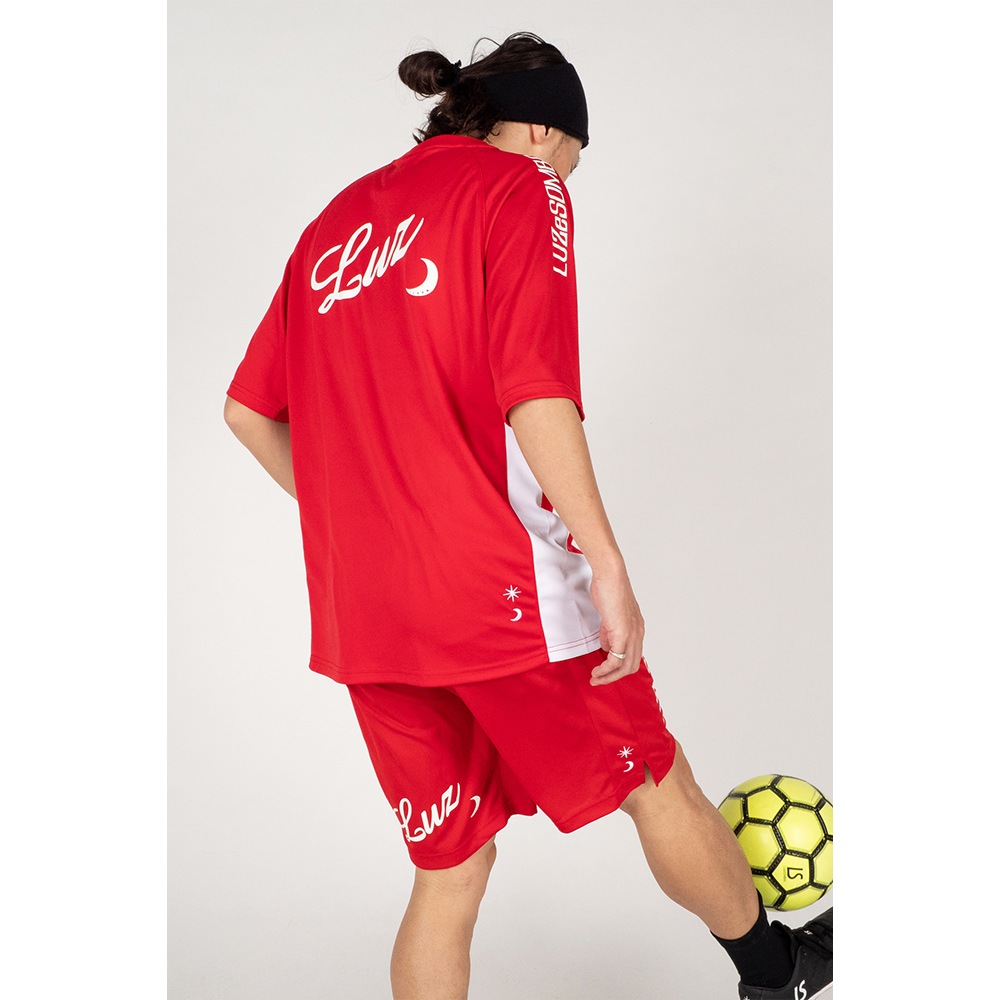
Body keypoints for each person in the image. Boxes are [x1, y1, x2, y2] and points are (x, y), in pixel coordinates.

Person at [223, 30, 833, 1000]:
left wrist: (368, 515)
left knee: (449, 867)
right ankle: (777, 974)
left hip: (365, 612)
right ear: (545, 131)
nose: (568, 180)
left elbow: (247, 411)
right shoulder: (521, 185)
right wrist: (607, 561)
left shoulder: (332, 223)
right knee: (655, 780)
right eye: (574, 160)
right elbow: (534, 388)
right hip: (496, 591)